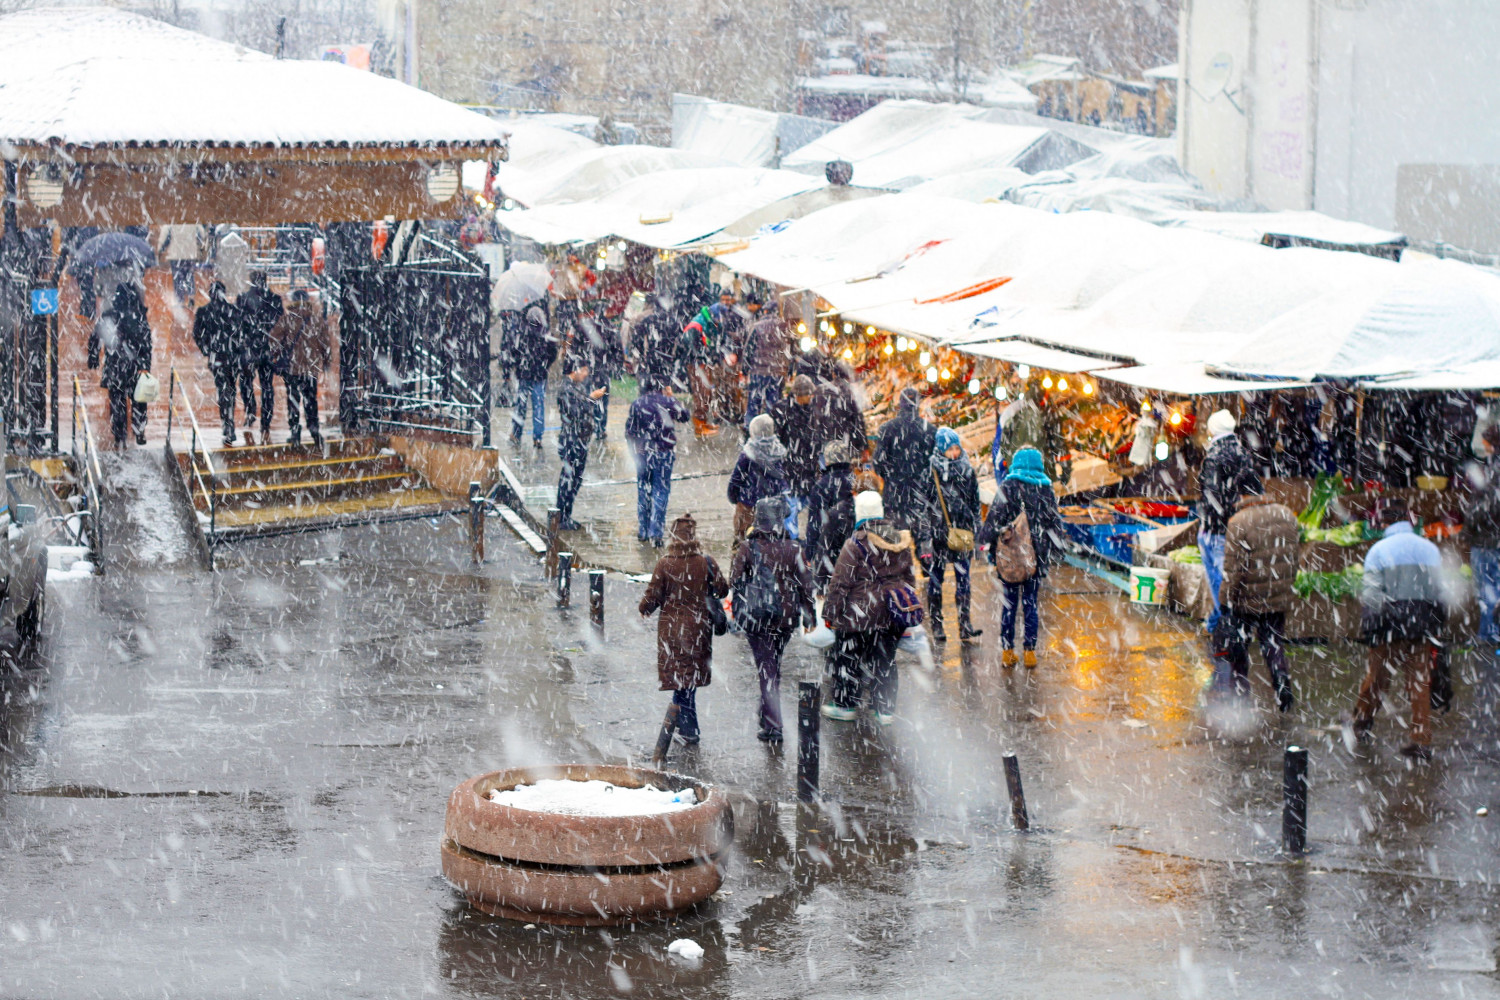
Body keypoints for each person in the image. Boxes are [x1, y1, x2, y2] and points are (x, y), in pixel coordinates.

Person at [1352, 497, 1446, 759]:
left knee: (1377, 679)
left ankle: (1363, 723)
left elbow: (1372, 594)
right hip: (1421, 626)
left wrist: (1372, 626)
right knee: (1418, 683)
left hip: (1388, 626)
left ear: (1384, 522)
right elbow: (1438, 591)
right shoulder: (1429, 549)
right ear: (1408, 519)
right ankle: (1421, 740)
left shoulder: (1379, 551)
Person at [821, 491, 916, 725]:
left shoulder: (855, 545)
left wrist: (830, 614)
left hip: (858, 616)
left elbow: (840, 583)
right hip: (891, 615)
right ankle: (884, 709)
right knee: (885, 661)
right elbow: (910, 579)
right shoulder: (899, 541)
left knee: (846, 657)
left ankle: (845, 705)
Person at [638, 514, 729, 745]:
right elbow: (723, 589)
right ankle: (686, 725)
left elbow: (653, 595)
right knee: (687, 679)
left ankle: (688, 730)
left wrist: (644, 608)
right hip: (699, 629)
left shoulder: (665, 563)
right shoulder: (704, 561)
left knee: (682, 680)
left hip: (672, 630)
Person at [730, 497, 815, 742]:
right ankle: (768, 708)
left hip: (757, 618)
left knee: (766, 667)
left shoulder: (748, 547)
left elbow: (735, 579)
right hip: (785, 619)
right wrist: (809, 617)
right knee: (772, 663)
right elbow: (805, 585)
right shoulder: (794, 548)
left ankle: (773, 724)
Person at [976, 446, 1064, 667]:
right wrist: (1057, 548)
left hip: (1010, 557)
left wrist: (984, 540)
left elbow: (994, 517)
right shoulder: (1045, 489)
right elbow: (1054, 523)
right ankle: (1030, 652)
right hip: (1035, 557)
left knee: (1009, 604)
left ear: (1016, 464)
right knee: (1031, 604)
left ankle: (1007, 651)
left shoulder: (1008, 486)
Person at [1218, 489, 1299, 711]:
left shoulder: (1239, 521)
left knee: (1239, 650)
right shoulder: (1287, 514)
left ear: (1242, 495)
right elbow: (1294, 557)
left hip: (1247, 599)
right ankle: (1283, 691)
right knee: (1273, 645)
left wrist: (1225, 600)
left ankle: (1240, 698)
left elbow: (1234, 568)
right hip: (1278, 594)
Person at [1198, 409, 1262, 633]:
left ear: (1212, 428)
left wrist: (1213, 525)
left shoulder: (1214, 455)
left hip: (1216, 530)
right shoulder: (1242, 452)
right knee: (1229, 580)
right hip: (1235, 528)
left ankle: (1225, 626)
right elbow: (1255, 491)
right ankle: (1218, 623)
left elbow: (1212, 497)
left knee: (1218, 581)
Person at [917, 427, 983, 643]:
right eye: (950, 449)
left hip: (962, 533)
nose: (954, 453)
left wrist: (977, 530)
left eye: (956, 448)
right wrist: (924, 538)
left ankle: (965, 625)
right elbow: (922, 506)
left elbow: (975, 502)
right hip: (939, 535)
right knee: (936, 580)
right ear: (940, 449)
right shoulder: (930, 471)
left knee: (964, 579)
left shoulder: (967, 470)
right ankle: (937, 624)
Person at [626, 377, 691, 546]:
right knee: (660, 492)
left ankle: (644, 530)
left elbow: (630, 431)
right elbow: (685, 416)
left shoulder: (637, 404)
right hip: (664, 452)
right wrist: (672, 398)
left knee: (643, 490)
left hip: (643, 454)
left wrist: (636, 450)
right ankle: (656, 533)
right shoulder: (668, 402)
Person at [88, 278, 153, 448]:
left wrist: (93, 356)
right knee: (139, 399)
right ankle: (139, 430)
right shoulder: (139, 317)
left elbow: (95, 337)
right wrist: (145, 366)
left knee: (117, 402)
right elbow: (146, 344)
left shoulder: (109, 315)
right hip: (135, 367)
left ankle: (120, 434)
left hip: (115, 366)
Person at [267, 289, 329, 448]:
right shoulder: (316, 320)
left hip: (292, 369)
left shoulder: (287, 319)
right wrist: (325, 361)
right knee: (311, 400)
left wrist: (276, 354)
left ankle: (295, 431)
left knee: (293, 400)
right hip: (311, 369)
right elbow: (325, 344)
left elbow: (274, 340)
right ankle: (314, 429)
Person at [873, 387, 936, 535]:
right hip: (923, 495)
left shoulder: (887, 429)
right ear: (918, 404)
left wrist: (891, 477)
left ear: (900, 404)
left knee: (898, 544)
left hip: (895, 496)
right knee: (923, 543)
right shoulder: (930, 430)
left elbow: (878, 463)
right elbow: (935, 464)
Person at [554, 353, 606, 531]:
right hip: (572, 441)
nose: (585, 375)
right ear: (574, 370)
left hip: (579, 440)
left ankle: (566, 515)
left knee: (575, 479)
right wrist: (591, 398)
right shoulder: (566, 388)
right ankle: (562, 516)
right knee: (569, 480)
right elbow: (574, 411)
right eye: (584, 371)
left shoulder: (575, 386)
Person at [727, 414, 790, 555]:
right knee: (771, 541)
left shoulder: (747, 454)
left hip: (748, 503)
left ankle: (742, 568)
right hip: (772, 505)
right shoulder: (779, 452)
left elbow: (736, 478)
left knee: (742, 542)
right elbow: (783, 478)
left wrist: (733, 496)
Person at [191, 281, 245, 444]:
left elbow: (197, 334)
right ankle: (229, 422)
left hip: (217, 358)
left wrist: (207, 349)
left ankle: (227, 424)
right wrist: (236, 349)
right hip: (232, 357)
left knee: (222, 391)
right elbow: (240, 334)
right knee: (230, 390)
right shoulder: (233, 311)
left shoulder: (204, 311)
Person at [1462, 423, 1500, 649]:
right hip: (1491, 537)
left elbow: (1492, 503)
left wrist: (1472, 520)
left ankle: (1489, 634)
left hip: (1488, 538)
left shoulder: (1495, 468)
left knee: (1488, 589)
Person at [237, 270, 283, 445]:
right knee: (267, 386)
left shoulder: (243, 299)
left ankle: (250, 411)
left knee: (247, 382)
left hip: (250, 349)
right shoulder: (275, 300)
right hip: (267, 349)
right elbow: (279, 325)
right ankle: (266, 420)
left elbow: (239, 324)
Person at [804, 440, 857, 592]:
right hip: (854, 543)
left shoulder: (821, 486)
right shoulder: (855, 481)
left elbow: (814, 522)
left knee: (832, 589)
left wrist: (810, 553)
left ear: (827, 460)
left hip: (828, 547)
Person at [771, 374, 821, 514]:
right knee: (792, 503)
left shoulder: (812, 409)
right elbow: (777, 437)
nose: (811, 397)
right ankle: (792, 534)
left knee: (805, 501)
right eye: (808, 395)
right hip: (792, 464)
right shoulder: (783, 410)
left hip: (808, 463)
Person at [997, 382, 1067, 483]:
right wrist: (1066, 470)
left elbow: (1005, 441)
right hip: (1042, 472)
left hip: (1017, 469)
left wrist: (1007, 461)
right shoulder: (1048, 418)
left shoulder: (1017, 416)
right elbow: (1059, 445)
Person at [509, 304, 556, 449]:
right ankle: (537, 437)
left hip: (524, 374)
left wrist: (519, 365)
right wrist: (545, 365)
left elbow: (514, 352)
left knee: (520, 406)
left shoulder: (522, 333)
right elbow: (552, 353)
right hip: (540, 376)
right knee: (538, 407)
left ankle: (516, 434)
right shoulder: (546, 335)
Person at [740, 296, 792, 427]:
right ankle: (772, 429)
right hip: (777, 372)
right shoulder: (784, 327)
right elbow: (790, 351)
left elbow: (748, 349)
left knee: (754, 402)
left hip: (759, 370)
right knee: (773, 403)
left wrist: (745, 369)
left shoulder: (757, 326)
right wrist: (789, 369)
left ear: (765, 311)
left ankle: (750, 428)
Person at [158, 223, 206, 305]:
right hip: (190, 253)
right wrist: (201, 250)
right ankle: (191, 296)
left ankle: (180, 300)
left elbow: (165, 239)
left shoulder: (171, 223)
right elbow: (201, 236)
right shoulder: (193, 222)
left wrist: (160, 250)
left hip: (176, 254)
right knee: (190, 275)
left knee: (177, 278)